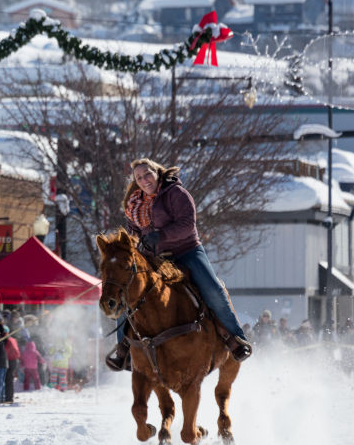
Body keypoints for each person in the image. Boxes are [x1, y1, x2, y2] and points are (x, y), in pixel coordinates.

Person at [106, 158, 253, 371]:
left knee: (213, 290)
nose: (144, 180)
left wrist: (161, 235)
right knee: (128, 293)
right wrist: (132, 245)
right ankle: (124, 349)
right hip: (154, 259)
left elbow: (187, 224)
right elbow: (133, 233)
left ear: (157, 173)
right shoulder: (134, 204)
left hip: (186, 252)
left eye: (147, 174)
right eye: (139, 177)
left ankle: (235, 338)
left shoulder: (176, 194)